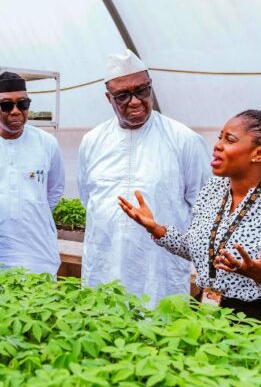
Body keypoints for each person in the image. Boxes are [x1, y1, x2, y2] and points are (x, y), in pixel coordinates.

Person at [119, 110, 261, 331]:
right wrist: (157, 229)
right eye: (220, 137)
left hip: (260, 319)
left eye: (229, 139)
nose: (217, 145)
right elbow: (198, 250)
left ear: (259, 153)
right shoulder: (212, 190)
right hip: (206, 309)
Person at [77, 49, 211, 307]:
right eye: (123, 95)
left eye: (142, 90)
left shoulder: (183, 139)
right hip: (103, 269)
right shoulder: (92, 141)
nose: (135, 101)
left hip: (160, 273)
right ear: (109, 98)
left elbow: (205, 210)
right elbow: (88, 200)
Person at [0, 72, 64, 275]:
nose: (15, 111)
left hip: (37, 254)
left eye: (23, 104)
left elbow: (54, 191)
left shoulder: (46, 143)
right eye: (6, 105)